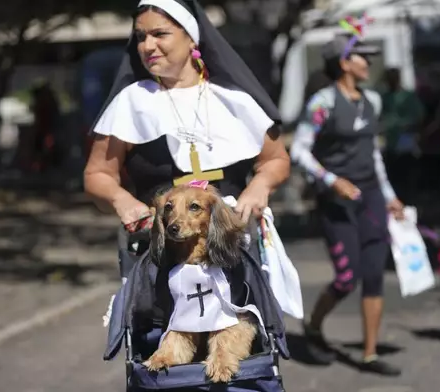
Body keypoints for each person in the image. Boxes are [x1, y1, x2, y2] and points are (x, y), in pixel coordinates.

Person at [84, 0, 290, 260]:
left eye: (160, 34)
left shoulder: (233, 99)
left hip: (234, 248)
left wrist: (261, 185)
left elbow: (275, 160)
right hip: (159, 252)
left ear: (191, 39)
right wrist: (121, 200)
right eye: (140, 36)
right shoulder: (130, 102)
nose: (147, 46)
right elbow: (98, 173)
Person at [290, 34, 405, 376]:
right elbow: (299, 151)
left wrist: (389, 196)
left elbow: (372, 155)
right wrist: (332, 181)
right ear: (343, 63)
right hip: (337, 201)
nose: (368, 63)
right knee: (346, 278)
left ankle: (369, 354)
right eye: (362, 58)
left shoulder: (372, 101)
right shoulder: (322, 103)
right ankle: (314, 326)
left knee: (373, 276)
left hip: (369, 196)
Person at [380, 67, 425, 205]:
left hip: (405, 143)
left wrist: (406, 126)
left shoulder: (408, 97)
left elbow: (419, 117)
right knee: (393, 178)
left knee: (408, 178)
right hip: (390, 144)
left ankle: (411, 206)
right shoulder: (385, 98)